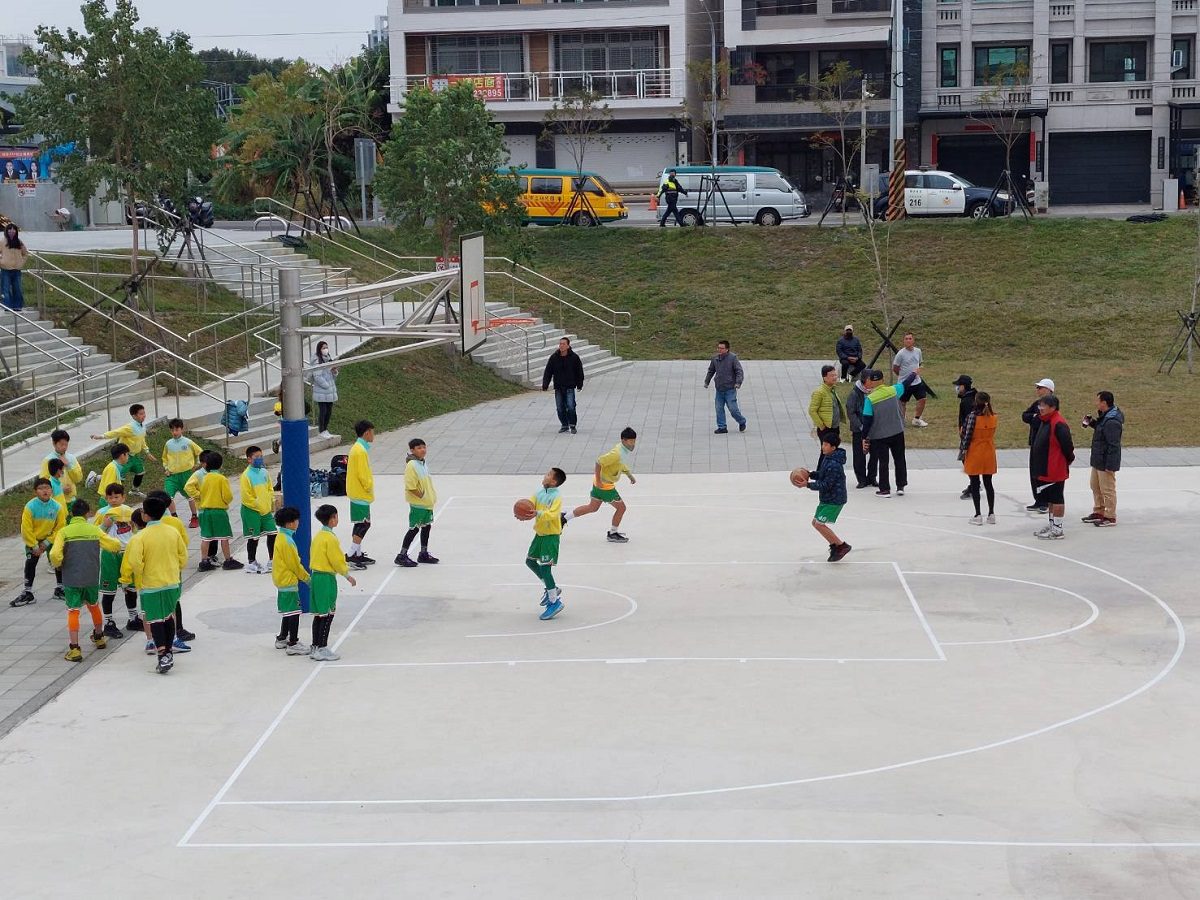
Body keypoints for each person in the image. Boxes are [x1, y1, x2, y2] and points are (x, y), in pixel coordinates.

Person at [121, 495, 188, 674]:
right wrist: (174, 569)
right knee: (168, 617)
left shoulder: (139, 537)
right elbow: (183, 556)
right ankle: (168, 650)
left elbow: (134, 562)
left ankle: (163, 654)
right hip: (172, 582)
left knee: (155, 620)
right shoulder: (172, 531)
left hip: (150, 585)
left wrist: (131, 579)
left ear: (146, 515)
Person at [50, 499, 122, 662]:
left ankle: (74, 649)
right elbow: (114, 545)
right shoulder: (94, 531)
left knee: (73, 610)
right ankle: (99, 637)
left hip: (71, 578)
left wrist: (59, 563)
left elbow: (54, 555)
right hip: (91, 576)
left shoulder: (64, 532)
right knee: (94, 606)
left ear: (71, 514)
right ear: (87, 513)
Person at [565, 427, 637, 542]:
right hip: (605, 487)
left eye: (634, 441)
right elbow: (599, 462)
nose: (633, 443)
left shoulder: (623, 450)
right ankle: (613, 533)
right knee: (621, 508)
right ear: (623, 440)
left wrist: (629, 474)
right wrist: (599, 481)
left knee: (592, 507)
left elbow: (620, 464)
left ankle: (565, 517)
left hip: (599, 485)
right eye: (631, 441)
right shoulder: (617, 453)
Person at [145, 489, 195, 649]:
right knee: (173, 602)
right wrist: (180, 564)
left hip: (150, 572)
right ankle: (176, 633)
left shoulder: (145, 522)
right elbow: (184, 545)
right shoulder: (175, 523)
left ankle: (151, 640)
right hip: (172, 569)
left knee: (150, 607)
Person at [860, 368, 919, 497]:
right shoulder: (893, 390)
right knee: (899, 458)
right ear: (883, 380)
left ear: (871, 381)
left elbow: (867, 421)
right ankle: (901, 486)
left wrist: (864, 437)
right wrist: (914, 373)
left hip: (880, 435)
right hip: (897, 431)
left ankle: (885, 489)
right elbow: (906, 383)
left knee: (883, 462)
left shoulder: (870, 399)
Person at [310, 504, 356, 661]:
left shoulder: (318, 536)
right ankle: (321, 648)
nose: (337, 519)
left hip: (316, 576)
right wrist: (347, 575)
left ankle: (315, 646)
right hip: (326, 578)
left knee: (319, 614)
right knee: (327, 614)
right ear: (331, 519)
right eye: (335, 516)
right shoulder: (330, 538)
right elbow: (336, 560)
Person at [797, 432, 851, 562]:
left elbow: (826, 484)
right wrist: (811, 474)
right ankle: (835, 546)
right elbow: (823, 475)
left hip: (834, 500)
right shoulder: (827, 457)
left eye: (826, 445)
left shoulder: (834, 464)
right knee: (815, 523)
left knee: (820, 524)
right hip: (827, 499)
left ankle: (841, 546)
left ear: (833, 447)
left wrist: (807, 484)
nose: (823, 446)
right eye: (823, 444)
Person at [12, 478, 66, 607]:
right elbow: (26, 528)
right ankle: (27, 592)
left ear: (51, 490)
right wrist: (34, 545)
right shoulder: (30, 507)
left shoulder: (58, 507)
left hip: (51, 538)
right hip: (34, 540)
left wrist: (47, 543)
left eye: (47, 488)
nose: (45, 491)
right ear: (36, 491)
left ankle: (60, 588)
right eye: (41, 488)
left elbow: (60, 527)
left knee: (58, 559)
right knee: (31, 562)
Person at [95, 482, 139, 637]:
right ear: (106, 498)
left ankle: (133, 618)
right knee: (109, 590)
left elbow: (135, 529)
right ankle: (108, 622)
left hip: (127, 553)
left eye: (116, 496)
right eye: (110, 497)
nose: (113, 500)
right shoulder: (102, 513)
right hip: (110, 554)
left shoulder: (129, 511)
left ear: (123, 497)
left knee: (131, 588)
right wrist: (104, 526)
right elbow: (95, 533)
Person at [1030, 394, 1075, 540]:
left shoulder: (1058, 423)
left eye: (1043, 406)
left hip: (1054, 468)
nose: (1040, 408)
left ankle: (1058, 529)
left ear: (1053, 408)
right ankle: (1052, 525)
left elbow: (1068, 447)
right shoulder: (1045, 421)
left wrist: (1067, 461)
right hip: (1045, 468)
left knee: (1056, 498)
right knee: (1050, 498)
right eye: (1040, 405)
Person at [526, 467, 567, 620]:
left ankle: (554, 602)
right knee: (530, 562)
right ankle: (553, 588)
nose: (545, 475)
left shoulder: (556, 497)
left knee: (545, 569)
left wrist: (537, 513)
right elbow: (529, 504)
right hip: (540, 534)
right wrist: (523, 511)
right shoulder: (539, 492)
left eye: (549, 474)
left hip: (551, 537)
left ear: (554, 481)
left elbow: (553, 514)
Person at [272, 507, 311, 656]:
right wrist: (307, 579)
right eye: (296, 520)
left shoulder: (281, 537)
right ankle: (293, 642)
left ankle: (282, 637)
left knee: (288, 611)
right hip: (288, 581)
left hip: (281, 580)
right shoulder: (287, 542)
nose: (298, 522)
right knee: (294, 612)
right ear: (289, 524)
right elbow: (295, 564)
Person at [194, 451, 242, 571]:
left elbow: (194, 489)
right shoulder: (222, 479)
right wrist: (225, 502)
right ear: (220, 465)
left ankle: (204, 561)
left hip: (205, 511)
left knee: (206, 537)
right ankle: (228, 560)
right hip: (219, 512)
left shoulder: (203, 478)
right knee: (224, 537)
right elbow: (228, 496)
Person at [1082, 390, 1123, 528]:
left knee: (1107, 489)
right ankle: (1099, 511)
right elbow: (1101, 431)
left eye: (1098, 400)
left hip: (1105, 461)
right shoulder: (1105, 417)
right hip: (1098, 459)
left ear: (1104, 403)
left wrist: (1110, 465)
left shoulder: (1112, 421)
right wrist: (1092, 423)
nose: (1096, 403)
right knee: (1095, 486)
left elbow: (1113, 445)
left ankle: (1110, 516)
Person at [92, 404, 153, 497]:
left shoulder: (142, 427)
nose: (144, 415)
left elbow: (142, 440)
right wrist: (101, 436)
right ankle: (97, 478)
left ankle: (134, 490)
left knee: (140, 472)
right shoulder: (130, 427)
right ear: (134, 416)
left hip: (135, 456)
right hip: (124, 457)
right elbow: (116, 432)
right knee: (118, 477)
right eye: (141, 414)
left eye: (144, 413)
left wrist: (147, 452)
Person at [396, 438, 438, 567]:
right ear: (412, 450)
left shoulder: (422, 463)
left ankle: (423, 553)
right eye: (419, 448)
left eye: (424, 447)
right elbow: (411, 486)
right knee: (414, 529)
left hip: (427, 503)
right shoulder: (412, 465)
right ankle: (402, 555)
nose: (423, 450)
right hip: (419, 504)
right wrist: (422, 495)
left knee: (426, 527)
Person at [959, 392, 998, 525]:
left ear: (976, 402)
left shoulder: (972, 416)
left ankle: (978, 514)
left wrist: (963, 450)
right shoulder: (993, 416)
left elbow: (966, 434)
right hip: (989, 450)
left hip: (975, 451)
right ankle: (991, 513)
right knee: (989, 483)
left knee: (975, 483)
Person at [1021, 378, 1057, 513]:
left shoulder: (1052, 404)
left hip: (1045, 444)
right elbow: (1025, 416)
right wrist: (1034, 417)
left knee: (1043, 473)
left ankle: (1045, 501)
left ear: (1048, 390)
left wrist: (1035, 418)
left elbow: (1041, 420)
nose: (1038, 390)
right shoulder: (1037, 403)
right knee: (1034, 472)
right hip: (1035, 442)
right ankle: (1038, 499)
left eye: (1040, 388)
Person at [240, 446, 277, 574]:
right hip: (251, 511)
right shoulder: (246, 475)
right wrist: (258, 505)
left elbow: (270, 488)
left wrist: (270, 501)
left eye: (261, 456)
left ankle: (272, 560)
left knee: (273, 533)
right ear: (249, 459)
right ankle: (251, 562)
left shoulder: (264, 472)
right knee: (254, 537)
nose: (259, 459)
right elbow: (246, 497)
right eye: (256, 457)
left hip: (266, 511)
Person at [161, 418, 202, 527]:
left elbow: (200, 452)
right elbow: (164, 458)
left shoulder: (188, 442)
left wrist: (197, 464)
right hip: (172, 475)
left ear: (181, 429)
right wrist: (166, 468)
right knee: (168, 497)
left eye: (177, 429)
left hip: (186, 475)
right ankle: (175, 518)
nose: (175, 432)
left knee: (190, 497)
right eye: (172, 430)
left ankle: (194, 517)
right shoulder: (168, 444)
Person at [346, 420, 376, 566]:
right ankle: (351, 553)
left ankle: (357, 553)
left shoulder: (358, 448)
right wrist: (369, 486)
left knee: (360, 523)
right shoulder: (360, 451)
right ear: (367, 433)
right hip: (360, 492)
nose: (373, 435)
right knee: (364, 524)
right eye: (372, 432)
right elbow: (362, 474)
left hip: (356, 492)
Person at [542, 337, 585, 434]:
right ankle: (564, 425)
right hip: (558, 387)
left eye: (563, 344)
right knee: (560, 407)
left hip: (570, 386)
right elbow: (548, 371)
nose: (561, 346)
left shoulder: (574, 357)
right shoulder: (554, 357)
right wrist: (545, 384)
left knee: (570, 406)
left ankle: (572, 425)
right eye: (560, 344)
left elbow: (579, 372)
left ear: (568, 346)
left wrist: (579, 385)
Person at [704, 340, 748, 434]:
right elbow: (711, 371)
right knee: (718, 408)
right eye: (718, 348)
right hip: (719, 389)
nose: (719, 350)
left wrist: (738, 382)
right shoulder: (715, 358)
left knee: (733, 409)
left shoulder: (733, 358)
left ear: (727, 349)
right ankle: (722, 427)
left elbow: (739, 371)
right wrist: (707, 381)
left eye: (721, 348)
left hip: (730, 389)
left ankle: (742, 421)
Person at [844, 373, 876, 489]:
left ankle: (872, 477)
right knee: (859, 455)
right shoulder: (854, 394)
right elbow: (851, 412)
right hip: (859, 430)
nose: (873, 382)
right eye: (871, 379)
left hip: (873, 429)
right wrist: (860, 426)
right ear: (865, 380)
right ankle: (861, 479)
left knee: (875, 454)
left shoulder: (875, 391)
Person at [892, 332, 928, 427]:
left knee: (922, 399)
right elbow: (895, 368)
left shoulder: (918, 351)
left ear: (913, 340)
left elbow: (920, 363)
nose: (908, 340)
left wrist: (918, 370)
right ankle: (901, 421)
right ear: (903, 341)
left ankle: (917, 419)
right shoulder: (900, 354)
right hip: (904, 383)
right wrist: (902, 376)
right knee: (903, 403)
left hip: (917, 381)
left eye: (910, 338)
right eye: (906, 339)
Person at [40, 430, 83, 502]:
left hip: (71, 500)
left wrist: (68, 465)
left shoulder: (71, 458)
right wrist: (60, 490)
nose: (64, 447)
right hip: (55, 501)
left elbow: (78, 478)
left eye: (66, 444)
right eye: (61, 445)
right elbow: (43, 483)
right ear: (54, 443)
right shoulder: (48, 460)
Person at [953, 375, 978, 500]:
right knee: (968, 461)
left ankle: (975, 485)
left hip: (969, 436)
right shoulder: (971, 397)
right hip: (969, 435)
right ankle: (975, 484)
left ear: (964, 386)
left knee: (968, 460)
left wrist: (964, 435)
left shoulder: (967, 401)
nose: (956, 388)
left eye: (958, 385)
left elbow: (969, 420)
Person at [310, 341, 339, 439]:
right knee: (323, 411)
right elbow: (317, 376)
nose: (325, 349)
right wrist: (326, 386)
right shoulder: (317, 360)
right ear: (319, 349)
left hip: (329, 391)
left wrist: (334, 371)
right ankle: (321, 430)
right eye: (323, 348)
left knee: (329, 411)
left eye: (326, 347)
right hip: (322, 391)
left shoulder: (329, 359)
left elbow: (332, 376)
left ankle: (325, 429)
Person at [808, 364, 845, 439]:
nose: (835, 377)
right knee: (826, 450)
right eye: (832, 376)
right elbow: (812, 411)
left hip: (835, 427)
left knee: (834, 449)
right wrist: (821, 426)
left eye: (835, 375)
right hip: (826, 429)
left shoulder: (832, 389)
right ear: (824, 378)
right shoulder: (819, 392)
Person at [1, 222, 28, 311]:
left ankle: (17, 306)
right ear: (7, 231)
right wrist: (2, 262)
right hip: (5, 269)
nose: (12, 231)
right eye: (10, 229)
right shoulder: (2, 241)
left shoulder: (19, 242)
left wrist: (21, 262)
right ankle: (7, 306)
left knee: (18, 288)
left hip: (16, 270)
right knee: (6, 289)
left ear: (16, 231)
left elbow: (25, 253)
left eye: (13, 229)